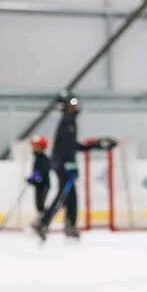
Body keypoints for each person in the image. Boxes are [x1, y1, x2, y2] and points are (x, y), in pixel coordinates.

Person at [34, 91, 90, 240]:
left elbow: (71, 145)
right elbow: (65, 147)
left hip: (63, 162)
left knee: (71, 195)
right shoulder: (67, 121)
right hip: (63, 163)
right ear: (66, 106)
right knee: (63, 195)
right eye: (72, 104)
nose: (76, 107)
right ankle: (43, 222)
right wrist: (69, 164)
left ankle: (70, 224)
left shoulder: (69, 121)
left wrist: (92, 146)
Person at [27, 135, 51, 218]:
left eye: (35, 146)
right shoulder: (38, 158)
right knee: (39, 205)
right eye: (33, 146)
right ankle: (43, 218)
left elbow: (41, 173)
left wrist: (34, 179)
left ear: (41, 147)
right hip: (39, 185)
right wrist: (32, 179)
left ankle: (45, 218)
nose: (33, 148)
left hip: (44, 185)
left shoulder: (43, 159)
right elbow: (37, 172)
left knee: (40, 205)